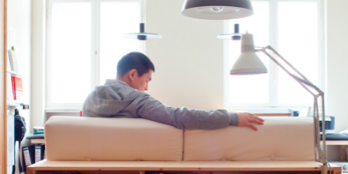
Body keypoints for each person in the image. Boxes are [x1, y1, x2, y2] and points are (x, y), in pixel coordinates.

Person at [82, 52, 264, 131]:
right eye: (147, 80)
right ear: (133, 74)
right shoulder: (137, 99)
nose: (146, 87)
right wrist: (231, 118)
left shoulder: (90, 100)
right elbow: (179, 116)